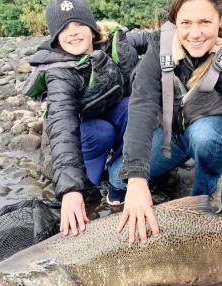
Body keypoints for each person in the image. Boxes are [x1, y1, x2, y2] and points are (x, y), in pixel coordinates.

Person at [110, 0, 222, 257]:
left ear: (221, 19)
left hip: (220, 130)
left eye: (205, 22)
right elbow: (141, 109)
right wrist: (136, 178)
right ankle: (165, 175)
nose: (195, 33)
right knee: (116, 179)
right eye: (186, 23)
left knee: (206, 136)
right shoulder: (160, 48)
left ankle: (206, 197)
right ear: (174, 22)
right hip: (176, 133)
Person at [25, 0, 148, 236]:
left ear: (92, 28)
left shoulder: (114, 41)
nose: (72, 32)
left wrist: (203, 37)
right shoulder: (58, 73)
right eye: (63, 29)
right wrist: (71, 190)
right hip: (83, 135)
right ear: (55, 38)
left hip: (113, 114)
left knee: (133, 106)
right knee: (99, 135)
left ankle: (118, 181)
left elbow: (155, 38)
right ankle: (87, 195)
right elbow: (62, 127)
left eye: (78, 24)